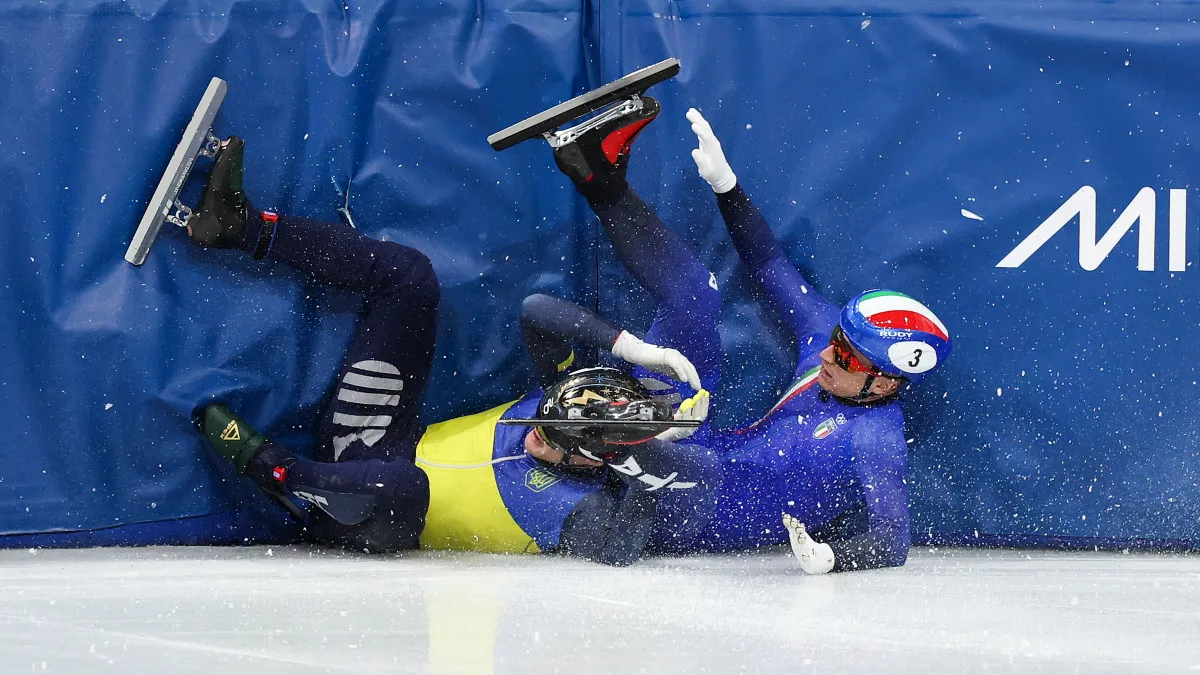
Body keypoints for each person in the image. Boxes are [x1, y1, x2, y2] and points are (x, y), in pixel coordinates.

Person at [184, 136, 718, 565]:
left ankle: (273, 470)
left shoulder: (582, 508)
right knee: (410, 278)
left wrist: (640, 460)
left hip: (370, 516)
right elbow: (537, 310)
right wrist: (635, 349)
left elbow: (623, 548)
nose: (537, 429)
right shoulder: (568, 403)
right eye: (546, 414)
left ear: (591, 457)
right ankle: (239, 228)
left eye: (553, 438)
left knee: (409, 485)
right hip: (377, 441)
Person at [537, 97, 951, 573]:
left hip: (701, 514)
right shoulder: (827, 343)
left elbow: (892, 541)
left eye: (848, 358)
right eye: (837, 340)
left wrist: (833, 558)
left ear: (885, 383)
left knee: (676, 454)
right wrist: (726, 186)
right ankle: (596, 175)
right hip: (701, 442)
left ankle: (603, 438)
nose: (829, 357)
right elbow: (769, 263)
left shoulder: (876, 439)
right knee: (695, 294)